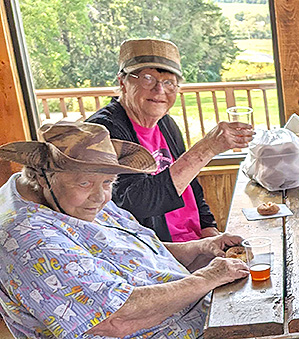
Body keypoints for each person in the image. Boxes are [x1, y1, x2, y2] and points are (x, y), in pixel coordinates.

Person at [0, 121, 249, 338]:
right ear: (42, 177)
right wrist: (206, 278)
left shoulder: (72, 198)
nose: (100, 197)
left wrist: (200, 249)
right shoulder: (29, 240)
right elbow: (115, 318)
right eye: (85, 183)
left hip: (192, 313)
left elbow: (131, 253)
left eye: (108, 182)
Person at [86, 38, 253, 243]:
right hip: (157, 250)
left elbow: (190, 185)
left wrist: (209, 229)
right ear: (123, 81)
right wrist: (206, 149)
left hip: (196, 241)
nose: (160, 90)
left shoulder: (165, 123)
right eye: (148, 78)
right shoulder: (104, 131)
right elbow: (135, 203)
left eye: (169, 82)